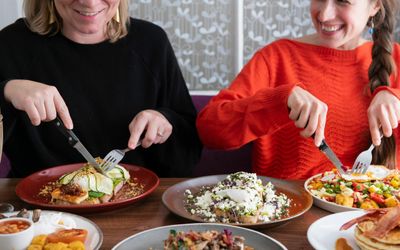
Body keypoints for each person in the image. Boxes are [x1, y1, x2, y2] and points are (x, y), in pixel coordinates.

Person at [197, 0, 400, 179]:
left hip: (381, 214)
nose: (324, 14)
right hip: (294, 213)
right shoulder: (276, 58)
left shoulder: (396, 58)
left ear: (375, 6)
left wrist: (396, 97)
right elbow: (210, 130)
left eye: (342, 1)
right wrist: (279, 100)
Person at [0, 0, 202, 177]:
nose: (90, 3)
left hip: (138, 204)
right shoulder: (12, 43)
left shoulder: (151, 42)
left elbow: (186, 151)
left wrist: (164, 121)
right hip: (37, 210)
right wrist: (6, 91)